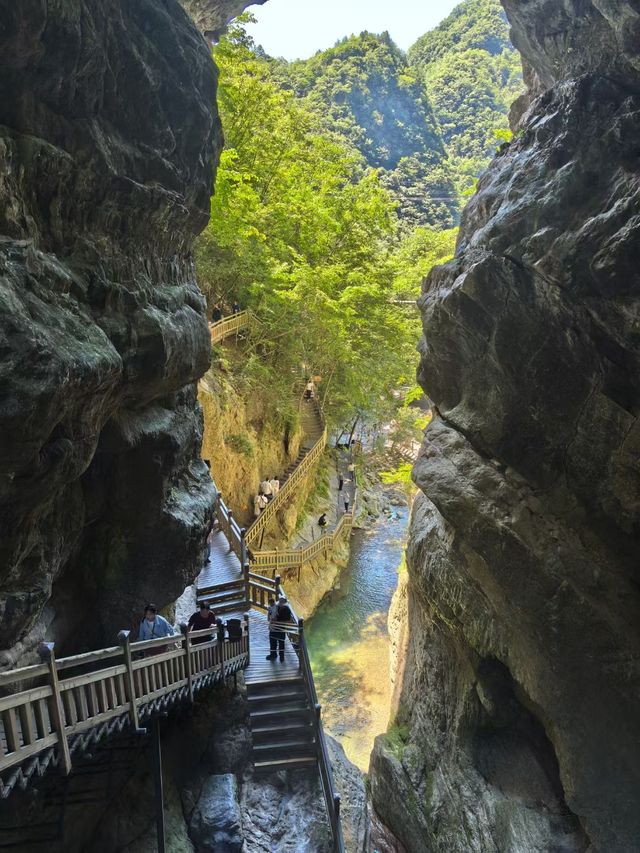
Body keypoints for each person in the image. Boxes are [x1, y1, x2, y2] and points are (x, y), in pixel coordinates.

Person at [266, 596, 293, 661]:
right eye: (279, 602)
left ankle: (281, 656)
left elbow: (288, 621)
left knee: (281, 642)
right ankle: (273, 654)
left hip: (281, 628)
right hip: (273, 627)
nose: (279, 604)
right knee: (272, 642)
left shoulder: (287, 610)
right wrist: (269, 616)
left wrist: (277, 621)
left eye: (281, 603)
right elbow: (269, 617)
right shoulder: (275, 607)